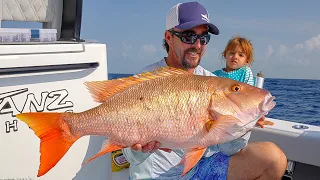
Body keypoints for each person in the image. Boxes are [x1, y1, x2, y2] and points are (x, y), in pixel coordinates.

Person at [122, 2, 287, 180]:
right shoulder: (145, 80)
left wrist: (243, 126)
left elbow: (228, 149)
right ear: (169, 37)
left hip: (201, 169)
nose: (197, 45)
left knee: (273, 158)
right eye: (188, 36)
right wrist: (139, 149)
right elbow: (130, 157)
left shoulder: (210, 81)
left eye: (203, 38)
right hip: (157, 176)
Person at [213, 36, 274, 128]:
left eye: (241, 55)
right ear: (225, 54)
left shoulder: (245, 72)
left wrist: (255, 117)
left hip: (239, 120)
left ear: (247, 60)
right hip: (219, 118)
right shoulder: (214, 74)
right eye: (232, 53)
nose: (235, 57)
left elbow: (249, 97)